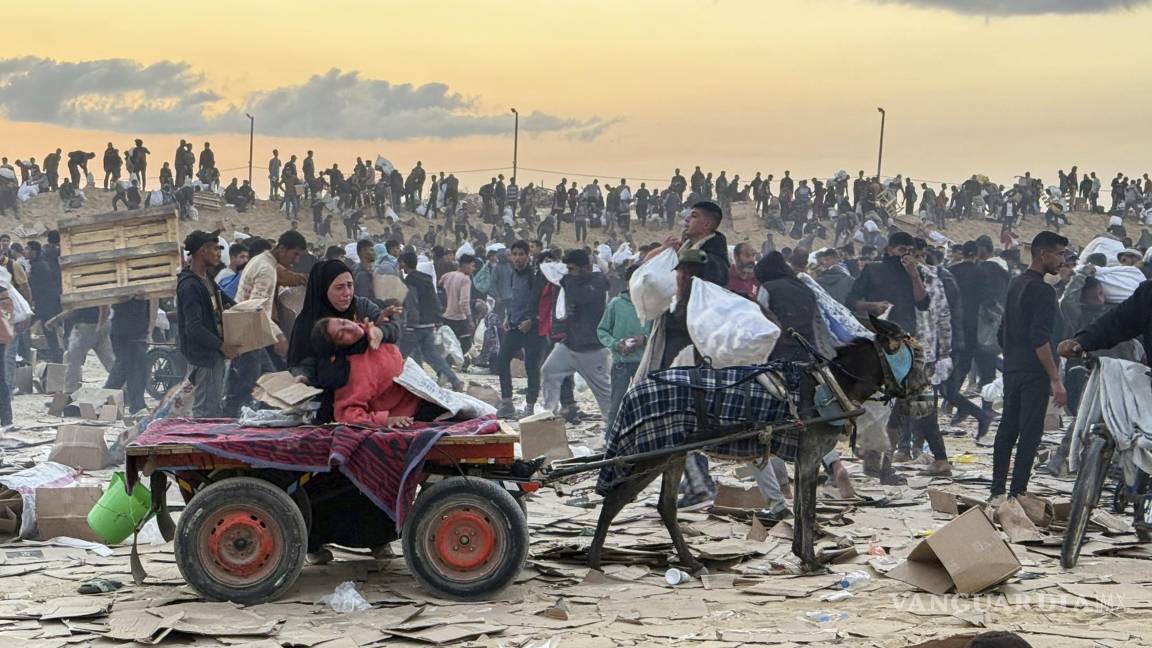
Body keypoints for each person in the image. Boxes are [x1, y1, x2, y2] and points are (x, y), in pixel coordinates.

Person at [989, 231, 1069, 506]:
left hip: (1013, 368)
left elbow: (1002, 333)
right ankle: (1017, 494)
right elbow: (1040, 338)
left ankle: (997, 491)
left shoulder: (1016, 283)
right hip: (1034, 371)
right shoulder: (1043, 290)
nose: (1063, 260)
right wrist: (1055, 379)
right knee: (1030, 433)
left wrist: (1013, 358)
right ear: (1043, 254)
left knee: (1008, 428)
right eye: (1059, 254)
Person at [845, 231, 929, 485]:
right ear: (889, 249)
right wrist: (872, 306)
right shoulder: (872, 270)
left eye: (908, 249)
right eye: (899, 248)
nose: (904, 253)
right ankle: (872, 460)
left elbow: (923, 303)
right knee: (875, 405)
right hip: (875, 343)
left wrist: (914, 274)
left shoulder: (914, 272)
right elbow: (851, 301)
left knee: (901, 407)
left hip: (904, 344)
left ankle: (886, 465)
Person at [288, 259, 398, 423]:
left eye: (350, 285)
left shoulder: (362, 307)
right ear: (323, 289)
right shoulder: (307, 322)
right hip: (329, 404)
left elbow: (393, 328)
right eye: (339, 287)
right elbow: (304, 362)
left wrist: (380, 331)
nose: (347, 293)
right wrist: (303, 377)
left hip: (373, 396)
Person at [226, 231, 308, 416]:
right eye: (294, 254)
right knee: (246, 386)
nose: (295, 260)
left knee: (270, 379)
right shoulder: (266, 269)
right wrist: (278, 336)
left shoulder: (260, 261)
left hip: (249, 331)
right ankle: (225, 422)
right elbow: (257, 309)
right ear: (281, 249)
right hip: (249, 332)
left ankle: (266, 419)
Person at [312, 317, 436, 426]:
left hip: (427, 395)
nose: (349, 327)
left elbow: (393, 324)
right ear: (338, 348)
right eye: (341, 335)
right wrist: (385, 420)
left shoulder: (371, 334)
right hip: (413, 414)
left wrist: (382, 330)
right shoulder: (354, 370)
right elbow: (347, 415)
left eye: (343, 322)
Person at [541, 249, 613, 420]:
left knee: (605, 396)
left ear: (587, 268)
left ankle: (614, 430)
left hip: (592, 349)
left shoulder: (597, 284)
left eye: (572, 269)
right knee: (549, 371)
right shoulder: (572, 280)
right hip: (571, 344)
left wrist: (566, 280)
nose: (569, 273)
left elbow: (579, 295)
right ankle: (547, 415)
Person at [177, 230, 238, 417]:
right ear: (203, 251)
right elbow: (193, 328)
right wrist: (221, 345)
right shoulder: (190, 285)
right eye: (215, 248)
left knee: (211, 408)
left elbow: (228, 303)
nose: (219, 252)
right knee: (205, 412)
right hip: (206, 357)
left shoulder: (207, 279)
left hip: (212, 355)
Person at [398, 251, 464, 391]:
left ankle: (414, 383)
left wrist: (410, 324)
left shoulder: (410, 280)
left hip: (415, 325)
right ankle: (455, 380)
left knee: (400, 355)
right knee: (431, 354)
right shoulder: (426, 278)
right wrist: (438, 318)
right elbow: (434, 300)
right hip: (429, 323)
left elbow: (412, 302)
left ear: (404, 263)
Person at [495, 241, 544, 417]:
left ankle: (530, 405)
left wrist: (532, 319)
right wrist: (508, 317)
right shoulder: (513, 275)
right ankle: (507, 402)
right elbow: (514, 299)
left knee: (531, 366)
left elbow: (540, 301)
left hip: (531, 328)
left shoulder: (535, 276)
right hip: (515, 326)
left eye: (521, 254)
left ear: (528, 255)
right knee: (501, 360)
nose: (517, 258)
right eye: (514, 254)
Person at [597, 265, 650, 428]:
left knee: (643, 406)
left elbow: (657, 333)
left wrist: (644, 339)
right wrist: (616, 344)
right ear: (627, 283)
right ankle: (611, 439)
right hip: (621, 363)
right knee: (616, 405)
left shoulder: (650, 306)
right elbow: (602, 330)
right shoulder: (616, 304)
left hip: (644, 364)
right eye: (633, 281)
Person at [103, 295, 154, 414]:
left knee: (135, 368)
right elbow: (113, 299)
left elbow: (153, 303)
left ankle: (134, 404)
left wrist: (150, 330)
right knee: (124, 366)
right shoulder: (122, 284)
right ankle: (106, 401)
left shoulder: (145, 284)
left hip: (139, 330)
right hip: (122, 330)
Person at [440, 254, 476, 355]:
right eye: (472, 265)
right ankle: (461, 364)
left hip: (447, 317)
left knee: (449, 345)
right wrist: (470, 320)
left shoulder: (448, 275)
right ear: (465, 265)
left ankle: (448, 365)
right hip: (459, 319)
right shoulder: (465, 279)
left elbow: (439, 285)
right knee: (465, 345)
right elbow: (464, 302)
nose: (473, 269)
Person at [353, 239, 378, 303]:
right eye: (372, 250)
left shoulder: (367, 270)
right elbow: (365, 300)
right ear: (363, 251)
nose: (375, 253)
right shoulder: (361, 274)